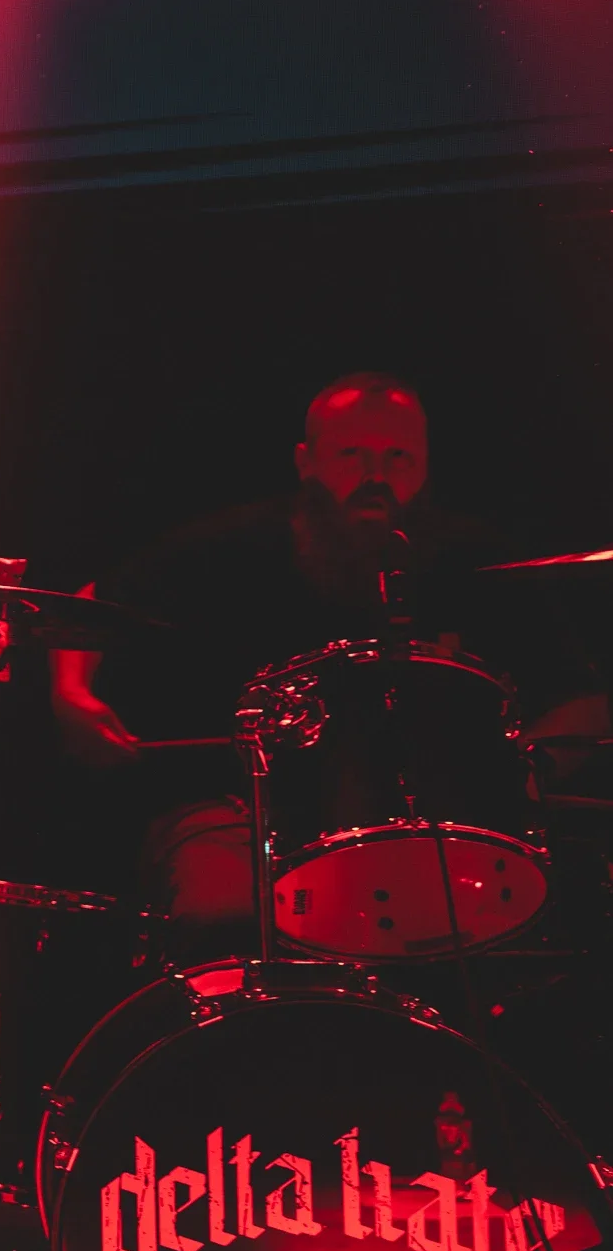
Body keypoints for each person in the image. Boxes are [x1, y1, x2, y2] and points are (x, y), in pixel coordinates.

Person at [51, 372, 606, 951]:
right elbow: (92, 602)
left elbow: (583, 701)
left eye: (398, 458)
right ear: (306, 462)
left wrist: (520, 782)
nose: (376, 477)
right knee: (230, 918)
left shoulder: (473, 560)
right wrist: (73, 696)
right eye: (352, 455)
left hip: (430, 825)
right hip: (238, 814)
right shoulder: (233, 547)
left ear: (425, 464)